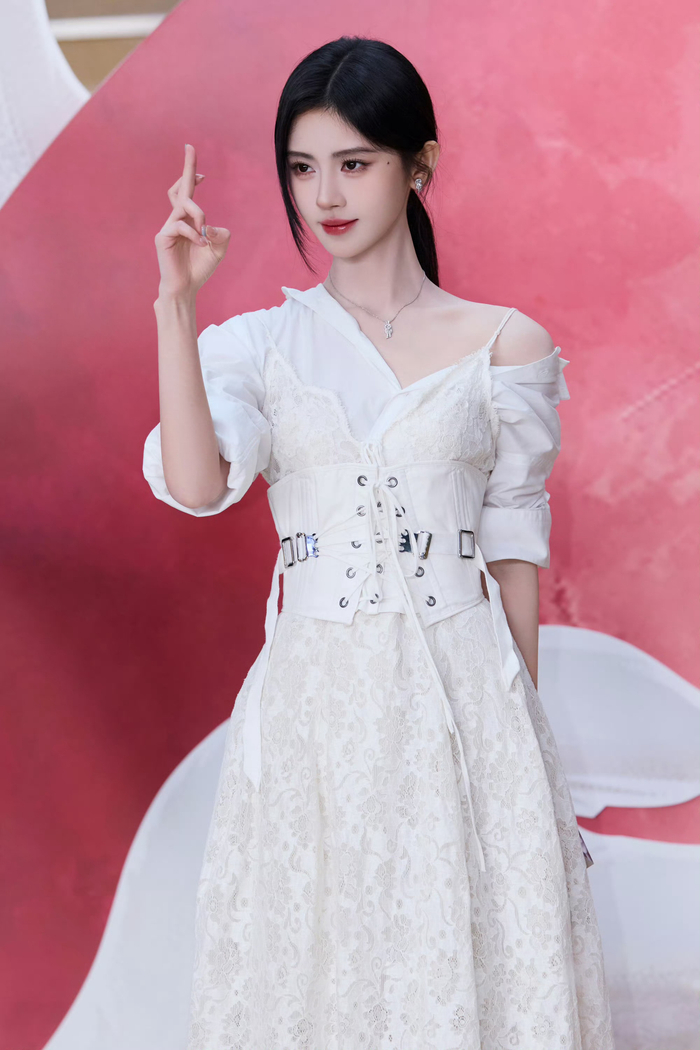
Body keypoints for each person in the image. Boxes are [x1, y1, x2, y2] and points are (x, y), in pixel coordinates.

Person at [143, 35, 614, 1050]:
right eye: (302, 168)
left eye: (354, 163)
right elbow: (196, 485)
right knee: (324, 976)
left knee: (459, 975)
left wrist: (522, 762)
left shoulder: (506, 347)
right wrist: (176, 307)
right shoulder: (258, 345)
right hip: (315, 713)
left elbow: (512, 556)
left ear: (420, 164)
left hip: (464, 700)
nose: (325, 196)